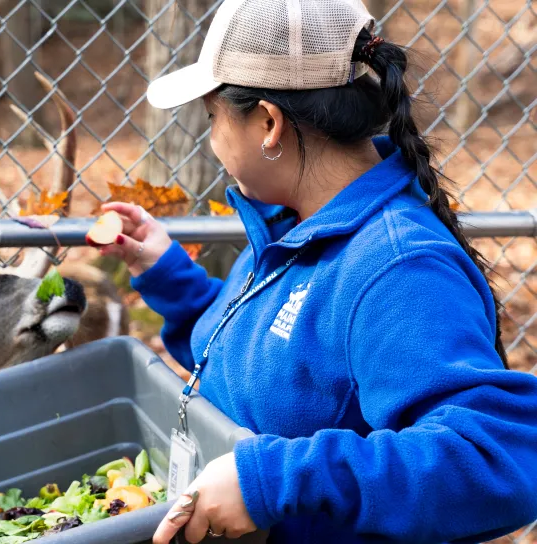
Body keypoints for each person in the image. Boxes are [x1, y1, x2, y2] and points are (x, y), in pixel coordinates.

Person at [87, 0, 537, 542]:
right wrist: (167, 276)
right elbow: (265, 362)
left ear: (269, 123)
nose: (211, 138)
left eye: (212, 118)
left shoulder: (397, 268)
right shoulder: (297, 224)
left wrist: (273, 480)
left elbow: (494, 459)